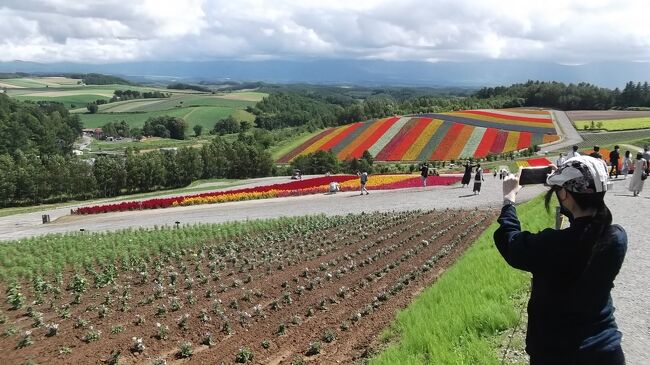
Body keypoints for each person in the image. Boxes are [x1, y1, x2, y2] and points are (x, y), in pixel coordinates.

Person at [495, 156, 627, 365]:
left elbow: (511, 242)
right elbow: (586, 224)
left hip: (558, 354)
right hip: (607, 350)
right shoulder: (617, 237)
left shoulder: (553, 245)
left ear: (564, 193)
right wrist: (564, 178)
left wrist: (509, 199)